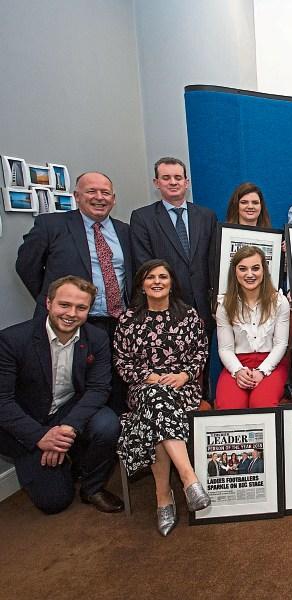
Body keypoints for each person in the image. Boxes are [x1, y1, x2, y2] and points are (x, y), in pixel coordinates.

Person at [0, 276, 122, 514]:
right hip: (27, 420)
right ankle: (66, 461)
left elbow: (98, 388)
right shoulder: (12, 340)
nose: (71, 313)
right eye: (64, 305)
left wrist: (67, 428)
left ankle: (92, 487)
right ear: (49, 303)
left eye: (81, 308)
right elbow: (2, 401)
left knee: (107, 424)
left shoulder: (96, 339)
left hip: (67, 411)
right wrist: (40, 436)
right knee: (54, 502)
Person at [16, 171, 134, 414]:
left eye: (105, 193)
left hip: (116, 323)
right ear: (77, 196)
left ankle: (112, 441)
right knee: (67, 386)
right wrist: (53, 302)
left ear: (114, 198)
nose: (99, 197)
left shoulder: (125, 231)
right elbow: (27, 266)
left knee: (114, 386)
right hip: (71, 323)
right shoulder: (52, 225)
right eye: (91, 191)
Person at [114, 259, 211, 536]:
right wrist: (149, 378)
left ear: (171, 283)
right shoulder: (129, 319)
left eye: (163, 277)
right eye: (150, 278)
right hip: (143, 388)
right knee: (156, 400)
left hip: (183, 388)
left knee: (157, 411)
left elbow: (201, 354)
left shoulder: (188, 315)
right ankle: (188, 479)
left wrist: (183, 376)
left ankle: (163, 496)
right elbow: (121, 361)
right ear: (141, 285)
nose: (157, 282)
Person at [129, 157, 218, 328]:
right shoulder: (143, 218)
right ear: (156, 182)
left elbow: (213, 262)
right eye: (166, 178)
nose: (173, 182)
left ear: (187, 182)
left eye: (178, 178)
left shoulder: (207, 216)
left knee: (202, 355)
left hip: (204, 308)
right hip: (164, 307)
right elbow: (144, 265)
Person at [216, 246, 290, 408]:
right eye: (243, 269)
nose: (250, 274)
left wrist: (262, 371)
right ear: (235, 272)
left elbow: (280, 344)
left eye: (255, 268)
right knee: (229, 407)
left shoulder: (279, 302)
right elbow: (225, 349)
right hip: (236, 363)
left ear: (264, 270)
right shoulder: (224, 305)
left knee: (262, 404)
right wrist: (238, 371)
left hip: (271, 363)